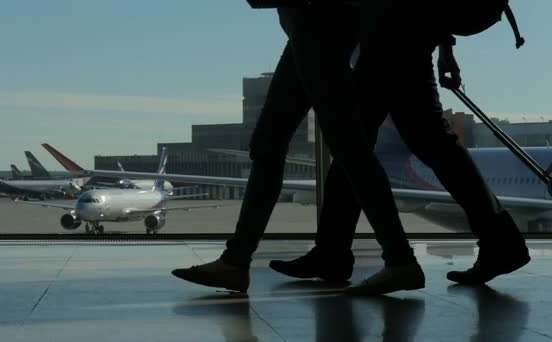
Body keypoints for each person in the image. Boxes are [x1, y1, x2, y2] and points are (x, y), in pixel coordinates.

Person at [271, 0, 530, 293]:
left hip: (393, 30)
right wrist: (445, 46)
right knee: (382, 140)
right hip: (400, 28)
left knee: (375, 139)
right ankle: (332, 250)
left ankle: (334, 252)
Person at [171, 5, 426, 294]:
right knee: (275, 142)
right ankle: (236, 261)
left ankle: (400, 260)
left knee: (346, 147)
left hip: (317, 22)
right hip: (311, 25)